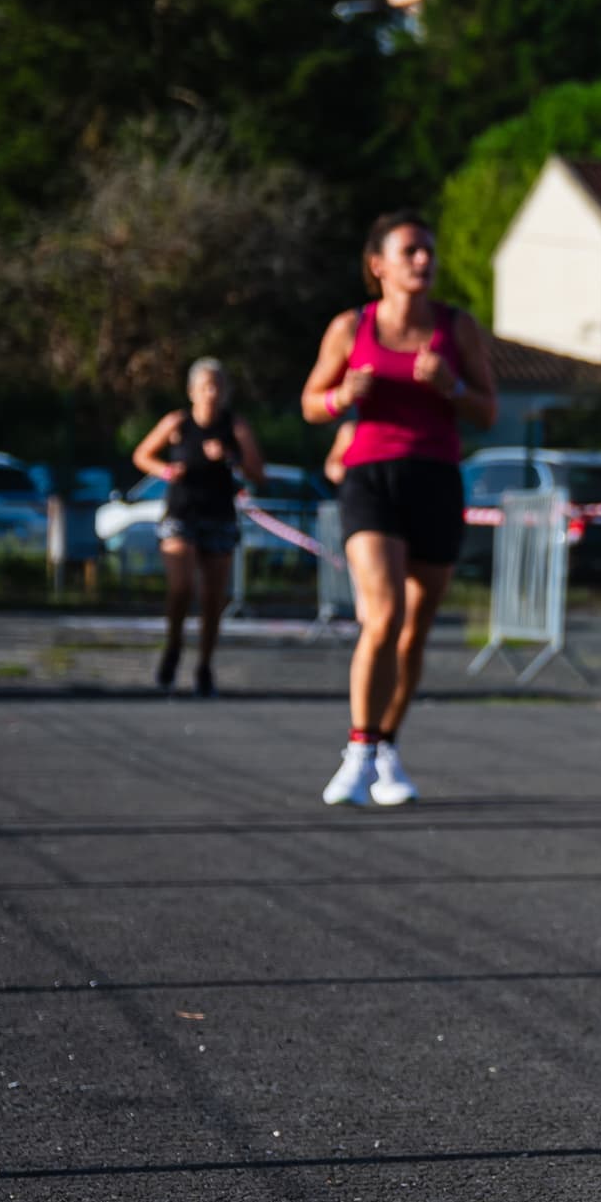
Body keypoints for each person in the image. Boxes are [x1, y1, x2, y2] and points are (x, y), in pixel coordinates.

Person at [300, 213, 499, 808]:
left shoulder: (456, 328)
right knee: (382, 616)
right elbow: (311, 402)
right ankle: (358, 752)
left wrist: (452, 388)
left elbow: (489, 412)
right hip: (370, 476)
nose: (423, 261)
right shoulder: (350, 326)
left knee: (413, 633)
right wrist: (341, 396)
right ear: (378, 265)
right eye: (410, 251)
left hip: (436, 478)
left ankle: (387, 746)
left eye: (429, 252)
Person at [129, 359, 264, 695]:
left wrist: (229, 457)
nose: (211, 393)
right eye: (205, 386)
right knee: (181, 587)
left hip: (219, 515)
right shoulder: (177, 423)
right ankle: (173, 646)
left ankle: (204, 664)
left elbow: (258, 472)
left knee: (213, 598)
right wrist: (165, 471)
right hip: (181, 513)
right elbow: (142, 454)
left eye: (217, 386)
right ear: (192, 391)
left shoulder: (235, 426)